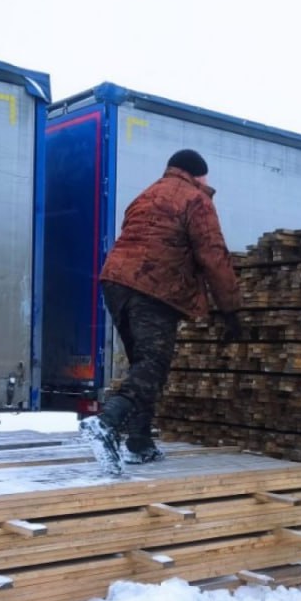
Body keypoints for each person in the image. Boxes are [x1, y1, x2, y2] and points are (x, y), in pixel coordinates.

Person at [79, 149, 242, 474]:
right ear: (198, 175)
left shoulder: (145, 195)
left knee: (144, 365)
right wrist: (231, 310)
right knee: (153, 365)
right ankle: (107, 422)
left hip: (115, 283)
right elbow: (213, 255)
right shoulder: (196, 200)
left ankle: (139, 443)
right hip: (153, 289)